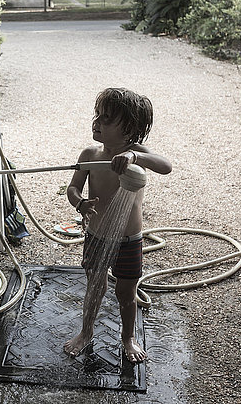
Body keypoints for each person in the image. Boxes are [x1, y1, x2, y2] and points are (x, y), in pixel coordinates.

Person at [63, 87, 172, 363]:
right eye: (97, 115)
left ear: (129, 130)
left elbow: (165, 165)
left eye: (107, 118)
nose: (97, 122)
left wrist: (135, 157)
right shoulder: (89, 154)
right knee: (94, 288)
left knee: (126, 293)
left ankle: (128, 337)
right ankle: (86, 332)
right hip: (97, 236)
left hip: (129, 240)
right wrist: (80, 203)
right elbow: (73, 188)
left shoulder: (135, 153)